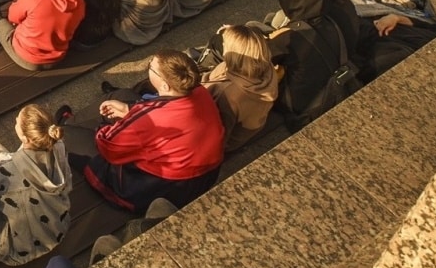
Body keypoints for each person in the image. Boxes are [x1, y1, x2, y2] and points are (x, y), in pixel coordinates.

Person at [69, 50, 224, 212]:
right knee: (124, 95)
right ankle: (72, 122)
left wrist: (105, 128)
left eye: (151, 66)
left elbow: (109, 149)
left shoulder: (153, 117)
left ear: (165, 85)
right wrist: (130, 111)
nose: (149, 66)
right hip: (202, 177)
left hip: (153, 188)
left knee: (66, 135)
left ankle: (68, 124)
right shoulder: (199, 92)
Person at [0, 104, 72, 265]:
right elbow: (18, 158)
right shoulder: (57, 145)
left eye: (17, 122)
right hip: (54, 226)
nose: (14, 121)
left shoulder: (9, 171)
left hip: (19, 245)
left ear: (25, 139)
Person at [203, 23, 280, 151]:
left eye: (225, 45)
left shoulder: (228, 95)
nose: (222, 46)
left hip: (229, 141)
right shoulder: (267, 68)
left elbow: (220, 134)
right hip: (255, 122)